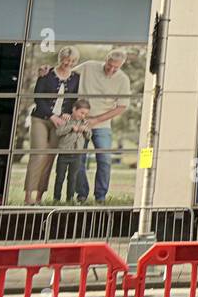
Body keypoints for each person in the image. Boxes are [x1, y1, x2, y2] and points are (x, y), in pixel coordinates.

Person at [73, 49, 132, 202]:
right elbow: (66, 74)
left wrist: (96, 120)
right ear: (106, 60)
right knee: (78, 158)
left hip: (102, 124)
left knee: (104, 159)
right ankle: (82, 194)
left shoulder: (123, 80)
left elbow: (121, 107)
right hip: (80, 122)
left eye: (116, 68)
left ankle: (100, 196)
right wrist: (48, 71)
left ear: (121, 65)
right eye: (109, 65)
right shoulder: (88, 67)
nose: (111, 70)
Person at [24, 46, 80, 204]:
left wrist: (68, 112)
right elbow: (38, 98)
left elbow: (73, 99)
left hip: (60, 124)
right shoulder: (46, 74)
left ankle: (39, 197)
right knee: (39, 155)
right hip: (41, 118)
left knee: (49, 157)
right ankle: (28, 196)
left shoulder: (76, 77)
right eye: (65, 60)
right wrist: (52, 116)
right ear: (60, 58)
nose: (68, 63)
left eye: (72, 61)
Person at [51, 98, 93, 203]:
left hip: (76, 155)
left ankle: (69, 199)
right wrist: (71, 127)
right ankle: (56, 199)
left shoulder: (85, 123)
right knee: (60, 177)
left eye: (85, 114)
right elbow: (58, 132)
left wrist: (86, 130)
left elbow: (89, 136)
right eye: (81, 112)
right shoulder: (66, 120)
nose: (83, 116)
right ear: (74, 109)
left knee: (72, 178)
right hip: (64, 154)